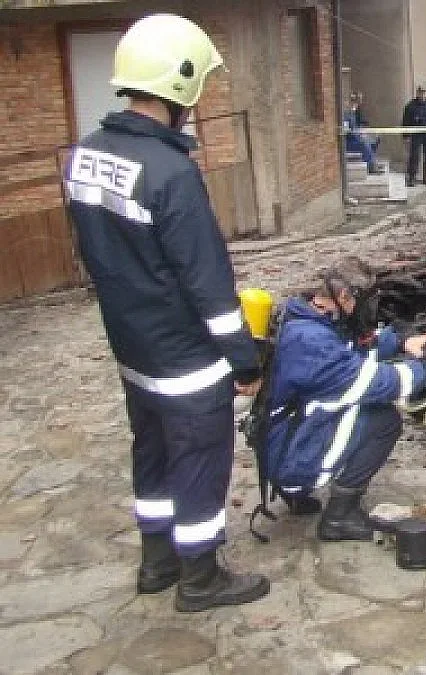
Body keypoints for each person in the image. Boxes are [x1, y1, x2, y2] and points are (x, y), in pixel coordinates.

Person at [63, 14, 269, 612]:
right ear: (180, 87)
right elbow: (208, 284)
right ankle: (201, 579)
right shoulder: (172, 173)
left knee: (150, 453)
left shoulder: (87, 155)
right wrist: (243, 358)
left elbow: (97, 254)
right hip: (186, 362)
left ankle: (158, 563)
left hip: (133, 352)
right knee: (200, 462)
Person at [264, 258, 426, 541]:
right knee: (383, 421)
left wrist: (405, 342)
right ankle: (338, 518)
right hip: (286, 452)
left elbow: (355, 349)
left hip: (286, 435)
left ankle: (297, 494)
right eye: (365, 301)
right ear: (344, 297)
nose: (368, 309)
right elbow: (371, 383)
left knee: (355, 408)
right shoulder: (309, 340)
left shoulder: (314, 319)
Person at [402, 84, 426, 187]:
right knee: (414, 156)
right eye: (420, 92)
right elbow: (405, 121)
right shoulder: (410, 106)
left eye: (424, 92)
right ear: (417, 93)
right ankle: (411, 177)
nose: (422, 94)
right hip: (416, 134)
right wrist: (405, 136)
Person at [344, 91, 380, 174]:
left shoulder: (354, 112)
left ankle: (373, 161)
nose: (357, 104)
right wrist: (358, 134)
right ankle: (370, 166)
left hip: (356, 136)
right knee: (365, 143)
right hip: (349, 141)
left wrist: (362, 130)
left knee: (374, 140)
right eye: (355, 101)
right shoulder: (346, 114)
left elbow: (359, 123)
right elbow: (346, 131)